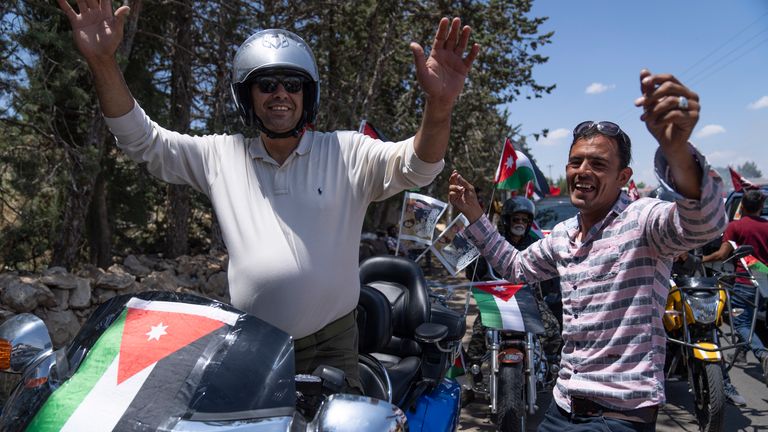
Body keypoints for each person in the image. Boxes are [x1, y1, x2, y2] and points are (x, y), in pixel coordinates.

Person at [57, 0, 478, 393]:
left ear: (306, 93)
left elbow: (419, 166)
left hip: (331, 341)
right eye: (266, 84)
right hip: (252, 344)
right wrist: (102, 61)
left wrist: (439, 105)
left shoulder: (347, 152)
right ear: (248, 97)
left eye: (292, 84)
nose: (281, 93)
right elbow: (142, 142)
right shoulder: (221, 155)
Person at [450, 70, 726, 431]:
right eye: (576, 161)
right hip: (562, 405)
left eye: (598, 164)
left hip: (619, 416)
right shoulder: (562, 235)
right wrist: (473, 214)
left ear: (624, 178)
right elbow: (515, 268)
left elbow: (703, 223)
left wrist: (676, 151)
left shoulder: (642, 220)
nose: (583, 171)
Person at [464, 196, 562, 372]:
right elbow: (473, 273)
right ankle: (474, 373)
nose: (520, 223)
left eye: (525, 220)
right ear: (507, 220)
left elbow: (549, 277)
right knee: (478, 334)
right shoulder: (493, 244)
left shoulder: (535, 245)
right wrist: (474, 262)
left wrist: (550, 286)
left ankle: (552, 367)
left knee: (553, 330)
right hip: (497, 299)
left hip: (530, 301)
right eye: (516, 219)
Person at [703, 189, 768, 390]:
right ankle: (742, 352)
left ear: (742, 206)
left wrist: (701, 260)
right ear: (760, 206)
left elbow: (722, 254)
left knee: (740, 323)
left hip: (745, 282)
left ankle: (762, 354)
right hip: (765, 282)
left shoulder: (735, 226)